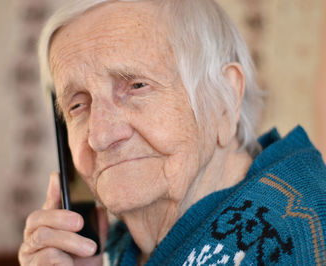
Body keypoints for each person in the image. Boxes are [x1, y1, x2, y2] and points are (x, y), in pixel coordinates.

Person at [18, 0, 326, 265]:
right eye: (77, 106)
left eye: (136, 86)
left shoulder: (285, 236)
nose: (99, 136)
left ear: (224, 99)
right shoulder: (123, 240)